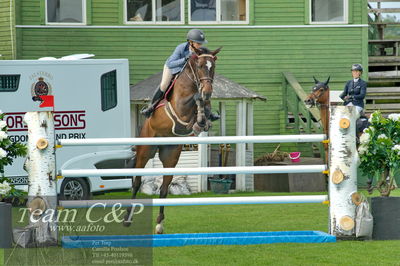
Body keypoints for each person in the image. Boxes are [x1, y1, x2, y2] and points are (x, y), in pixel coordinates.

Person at [141, 29, 219, 120]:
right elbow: (171, 63)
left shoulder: (202, 50)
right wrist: (185, 59)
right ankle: (150, 108)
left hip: (187, 72)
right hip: (173, 68)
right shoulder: (181, 48)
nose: (200, 45)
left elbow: (207, 60)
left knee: (204, 86)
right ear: (190, 42)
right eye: (198, 43)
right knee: (164, 85)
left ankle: (208, 112)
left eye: (201, 43)